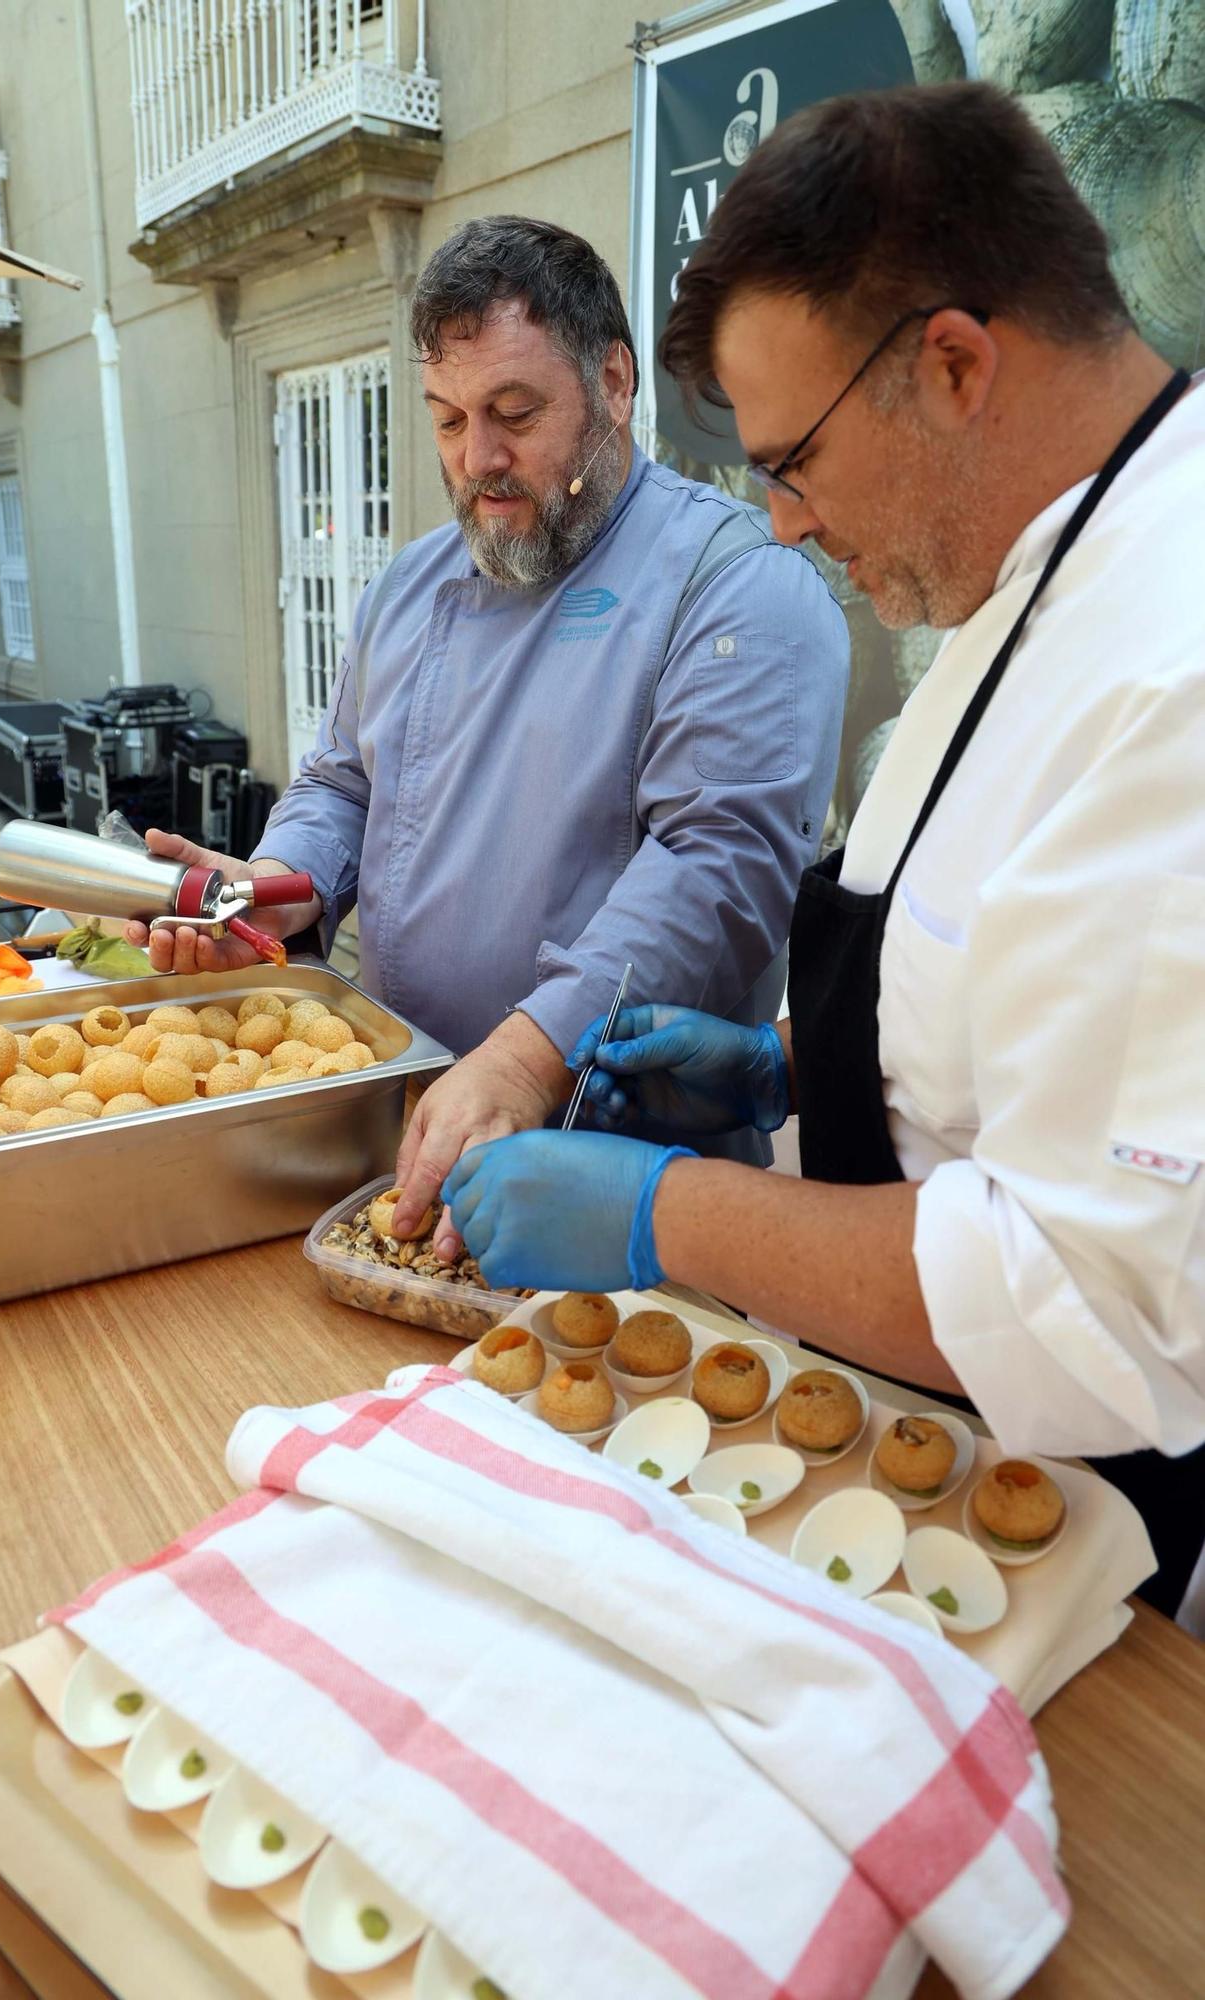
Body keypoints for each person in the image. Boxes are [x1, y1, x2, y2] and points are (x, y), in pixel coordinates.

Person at [439, 87, 1205, 1619]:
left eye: (793, 460)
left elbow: (1095, 1299)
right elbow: (1017, 994)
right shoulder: (1028, 575)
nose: (783, 528)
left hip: (1077, 1550)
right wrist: (795, 1064)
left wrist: (664, 1211)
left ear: (953, 364)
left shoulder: (1174, 652)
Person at [131, 216, 849, 1258]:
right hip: (379, 1137)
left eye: (515, 412)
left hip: (615, 1185)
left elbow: (717, 866)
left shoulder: (735, 587)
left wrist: (521, 1061)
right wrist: (275, 886)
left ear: (612, 381)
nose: (480, 457)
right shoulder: (408, 584)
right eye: (447, 419)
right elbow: (340, 781)